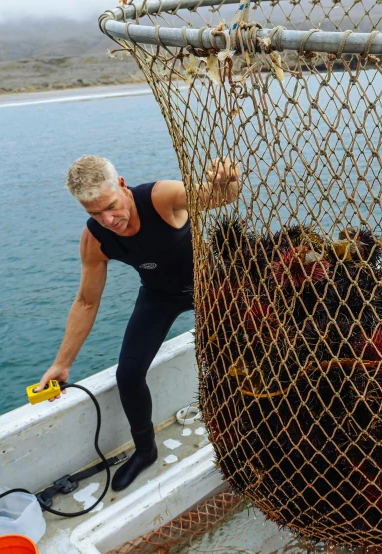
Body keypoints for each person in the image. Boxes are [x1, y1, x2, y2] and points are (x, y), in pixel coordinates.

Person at [36, 155, 240, 491]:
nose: (108, 219)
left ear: (121, 184)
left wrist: (228, 179)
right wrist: (62, 363)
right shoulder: (95, 240)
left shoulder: (161, 198)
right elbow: (87, 301)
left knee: (237, 358)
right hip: (159, 296)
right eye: (94, 214)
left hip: (212, 289)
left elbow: (220, 197)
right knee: (128, 373)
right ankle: (145, 450)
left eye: (111, 206)